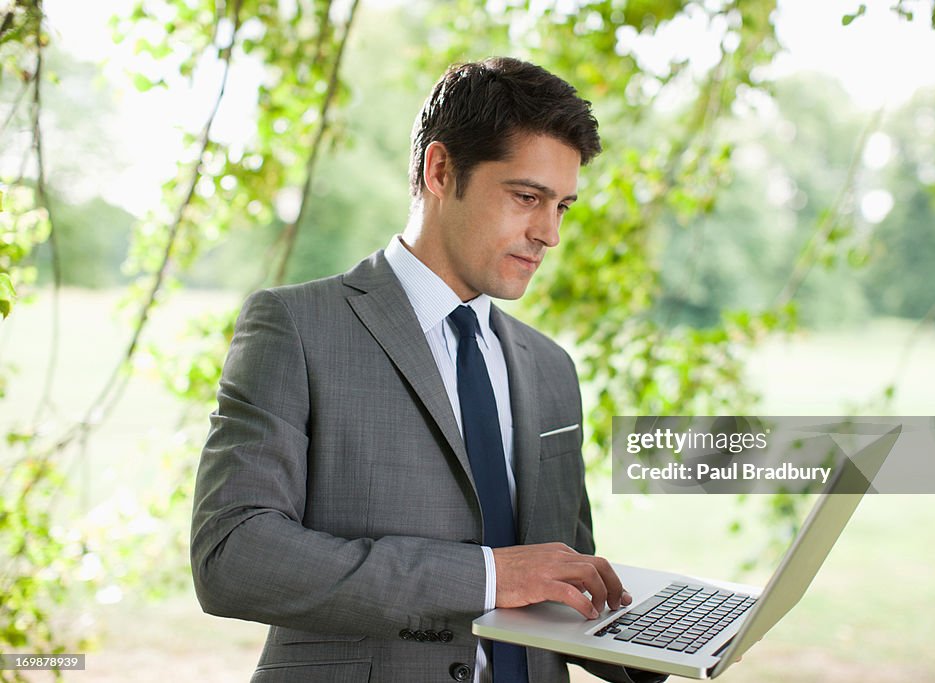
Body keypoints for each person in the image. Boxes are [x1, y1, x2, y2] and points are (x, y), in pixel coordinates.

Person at [191, 56, 665, 683]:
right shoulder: (297, 327)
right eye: (527, 197)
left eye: (563, 207)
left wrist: (658, 645)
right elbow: (234, 557)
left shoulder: (551, 368)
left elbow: (549, 584)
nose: (549, 233)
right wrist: (487, 577)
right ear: (440, 170)